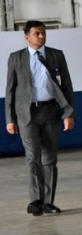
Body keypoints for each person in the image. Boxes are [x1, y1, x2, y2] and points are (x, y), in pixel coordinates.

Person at [5, 20, 75, 217]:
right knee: (32, 156)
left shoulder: (56, 55)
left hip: (50, 112)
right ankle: (35, 200)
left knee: (49, 158)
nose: (42, 37)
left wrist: (69, 114)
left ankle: (48, 202)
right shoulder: (16, 58)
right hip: (27, 114)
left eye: (44, 33)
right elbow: (9, 91)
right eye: (37, 33)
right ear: (27, 36)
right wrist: (9, 119)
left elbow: (67, 86)